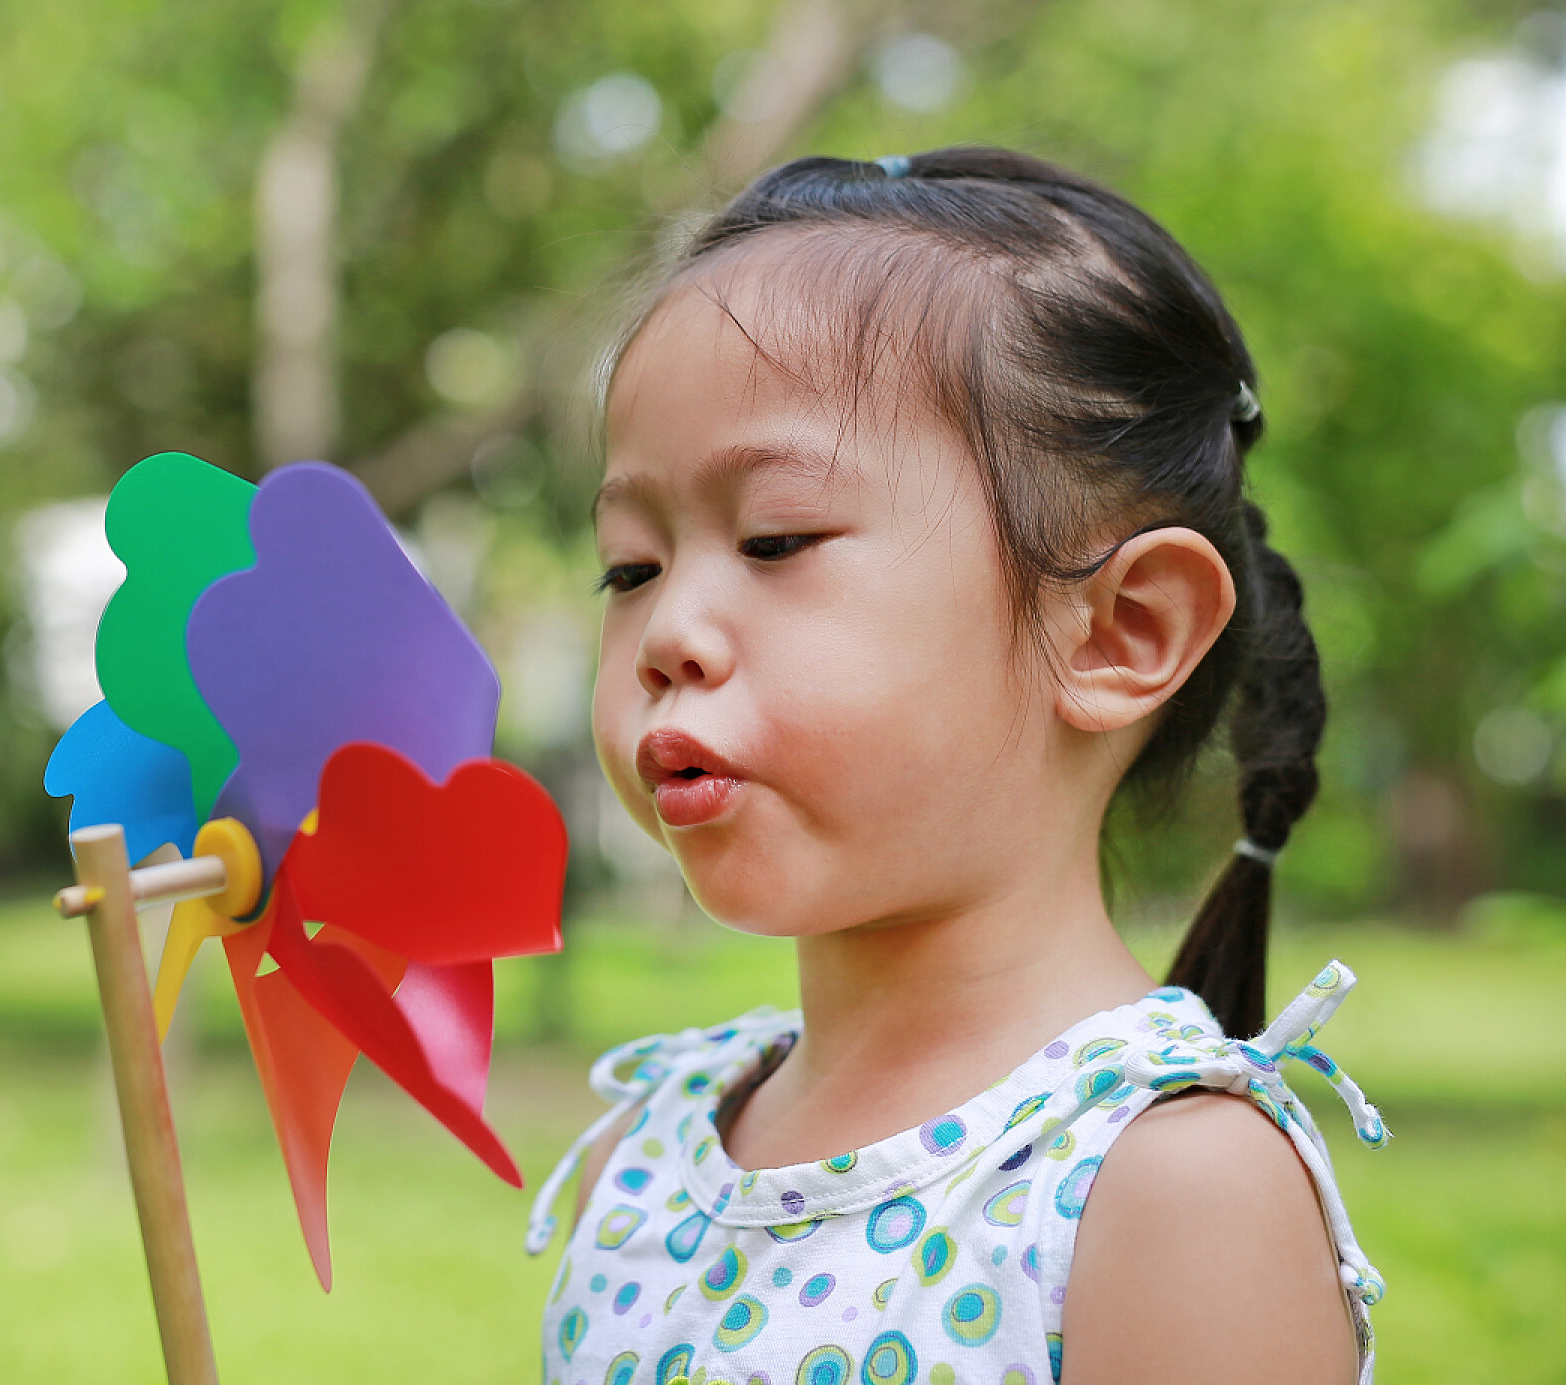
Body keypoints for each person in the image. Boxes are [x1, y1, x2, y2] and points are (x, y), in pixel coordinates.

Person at [525, 148, 1391, 1385]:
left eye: (776, 538)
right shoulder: (639, 1159)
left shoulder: (1169, 1190)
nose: (667, 632)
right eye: (630, 566)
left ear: (1121, 629)